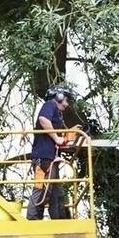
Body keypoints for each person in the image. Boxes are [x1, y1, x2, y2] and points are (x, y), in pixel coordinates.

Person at [26, 84, 75, 220]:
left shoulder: (56, 113)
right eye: (65, 100)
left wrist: (65, 138)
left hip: (51, 158)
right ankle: (33, 220)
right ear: (58, 96)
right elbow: (43, 120)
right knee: (42, 188)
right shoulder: (50, 105)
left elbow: (56, 136)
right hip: (44, 157)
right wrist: (56, 138)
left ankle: (60, 221)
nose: (66, 104)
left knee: (56, 193)